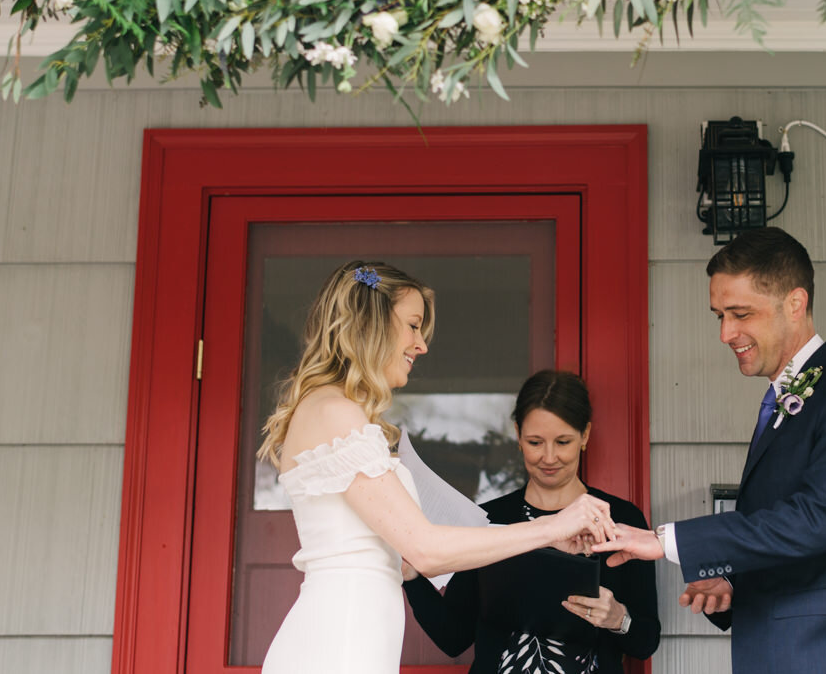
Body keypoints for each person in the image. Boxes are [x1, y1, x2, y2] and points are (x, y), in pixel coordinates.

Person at [258, 262, 617, 674]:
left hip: (351, 634)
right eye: (412, 326)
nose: (421, 345)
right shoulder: (336, 413)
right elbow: (426, 550)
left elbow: (415, 552)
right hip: (340, 641)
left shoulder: (331, 411)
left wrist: (546, 542)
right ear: (372, 324)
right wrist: (554, 526)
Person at [594, 227, 826, 673]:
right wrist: (731, 583)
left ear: (795, 304)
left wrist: (665, 540)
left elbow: (815, 519)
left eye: (741, 313)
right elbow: (781, 533)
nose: (727, 333)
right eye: (719, 316)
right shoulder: (779, 402)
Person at [402, 369, 660, 673]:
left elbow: (645, 643)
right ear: (517, 436)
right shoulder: (487, 519)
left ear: (585, 435)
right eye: (536, 442)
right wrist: (412, 577)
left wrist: (619, 619)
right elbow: (453, 637)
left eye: (563, 442)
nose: (549, 457)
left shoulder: (621, 518)